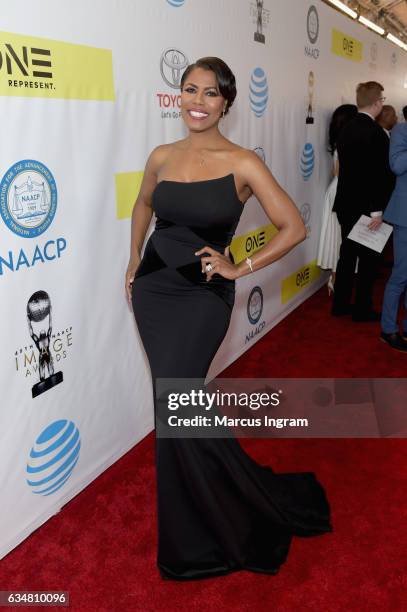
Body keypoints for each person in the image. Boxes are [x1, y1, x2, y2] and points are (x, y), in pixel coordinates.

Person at [125, 57, 332, 581]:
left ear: (226, 103)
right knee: (174, 405)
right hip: (155, 288)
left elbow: (292, 227)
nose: (197, 101)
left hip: (202, 295)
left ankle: (203, 531)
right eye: (189, 90)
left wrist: (240, 265)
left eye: (210, 93)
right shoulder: (161, 155)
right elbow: (143, 206)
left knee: (177, 399)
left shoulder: (243, 163)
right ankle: (205, 511)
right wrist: (132, 264)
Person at [331, 81, 395, 321]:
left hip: (346, 204)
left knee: (346, 256)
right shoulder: (376, 133)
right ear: (378, 103)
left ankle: (340, 305)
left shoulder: (346, 128)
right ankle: (362, 309)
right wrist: (377, 211)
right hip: (369, 208)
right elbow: (379, 175)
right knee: (368, 262)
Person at [317, 104, 358, 293]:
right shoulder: (346, 142)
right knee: (339, 239)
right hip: (342, 192)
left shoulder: (340, 140)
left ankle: (335, 279)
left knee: (338, 238)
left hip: (338, 190)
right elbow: (339, 171)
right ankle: (335, 278)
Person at [380, 121, 407, 352]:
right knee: (400, 275)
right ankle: (388, 329)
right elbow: (397, 166)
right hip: (405, 216)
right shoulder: (401, 131)